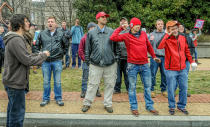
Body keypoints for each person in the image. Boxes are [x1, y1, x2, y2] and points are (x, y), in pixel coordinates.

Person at [2, 14, 50, 127]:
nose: (29, 23)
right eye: (26, 21)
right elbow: (27, 60)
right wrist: (44, 56)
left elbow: (25, 55)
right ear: (20, 24)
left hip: (12, 82)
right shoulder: (16, 39)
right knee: (17, 117)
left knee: (12, 113)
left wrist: (39, 54)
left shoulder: (15, 38)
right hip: (15, 83)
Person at [110, 17, 160, 116]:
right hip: (132, 65)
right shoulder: (126, 35)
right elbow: (113, 38)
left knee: (147, 87)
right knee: (132, 88)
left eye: (139, 25)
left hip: (145, 65)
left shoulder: (144, 34)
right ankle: (134, 107)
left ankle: (149, 106)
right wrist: (121, 28)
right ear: (131, 26)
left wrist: (154, 56)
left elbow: (149, 46)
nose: (138, 27)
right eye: (136, 25)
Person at [157, 20, 197, 115]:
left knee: (184, 88)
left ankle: (181, 106)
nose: (175, 30)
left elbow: (187, 50)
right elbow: (159, 46)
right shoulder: (166, 39)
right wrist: (167, 35)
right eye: (172, 29)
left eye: (176, 28)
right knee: (171, 89)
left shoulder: (183, 37)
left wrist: (192, 62)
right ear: (168, 30)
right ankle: (171, 106)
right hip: (170, 69)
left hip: (182, 68)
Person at [82, 12, 117, 113]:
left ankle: (108, 103)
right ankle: (87, 103)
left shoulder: (111, 31)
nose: (105, 18)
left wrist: (115, 58)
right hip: (95, 63)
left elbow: (116, 47)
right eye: (103, 17)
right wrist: (88, 60)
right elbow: (87, 49)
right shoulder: (91, 33)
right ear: (98, 19)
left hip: (110, 63)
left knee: (110, 84)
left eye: (106, 17)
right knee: (92, 84)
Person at [34, 16, 68, 107]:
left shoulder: (61, 34)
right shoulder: (42, 33)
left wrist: (61, 54)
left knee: (57, 81)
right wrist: (41, 54)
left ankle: (58, 98)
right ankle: (45, 99)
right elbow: (36, 46)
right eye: (48, 22)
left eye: (52, 22)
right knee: (46, 81)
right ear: (46, 23)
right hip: (45, 62)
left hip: (57, 61)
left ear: (55, 24)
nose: (50, 23)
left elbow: (66, 46)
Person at [78, 22, 101, 98]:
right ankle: (84, 91)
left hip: (95, 61)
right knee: (85, 77)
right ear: (89, 29)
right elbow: (80, 50)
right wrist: (85, 59)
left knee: (96, 76)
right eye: (92, 28)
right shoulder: (84, 38)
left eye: (95, 28)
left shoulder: (97, 38)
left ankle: (97, 90)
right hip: (86, 61)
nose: (93, 29)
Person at [174, 24, 195, 97]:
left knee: (184, 77)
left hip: (186, 61)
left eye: (182, 27)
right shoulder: (174, 37)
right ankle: (173, 91)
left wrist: (189, 56)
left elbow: (192, 47)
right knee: (175, 77)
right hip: (177, 61)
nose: (181, 28)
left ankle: (184, 91)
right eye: (179, 27)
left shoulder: (188, 37)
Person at [149, 19, 167, 98]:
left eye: (162, 24)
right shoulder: (151, 35)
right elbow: (148, 46)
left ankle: (163, 90)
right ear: (156, 25)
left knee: (164, 74)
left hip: (164, 57)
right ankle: (152, 90)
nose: (160, 25)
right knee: (152, 74)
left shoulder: (166, 34)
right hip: (155, 57)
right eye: (158, 24)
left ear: (163, 25)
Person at [114, 17, 129, 94]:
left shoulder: (131, 32)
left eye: (125, 22)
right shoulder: (116, 31)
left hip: (128, 57)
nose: (123, 24)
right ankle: (117, 89)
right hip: (118, 57)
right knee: (117, 75)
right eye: (121, 22)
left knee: (127, 74)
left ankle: (128, 89)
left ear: (128, 23)